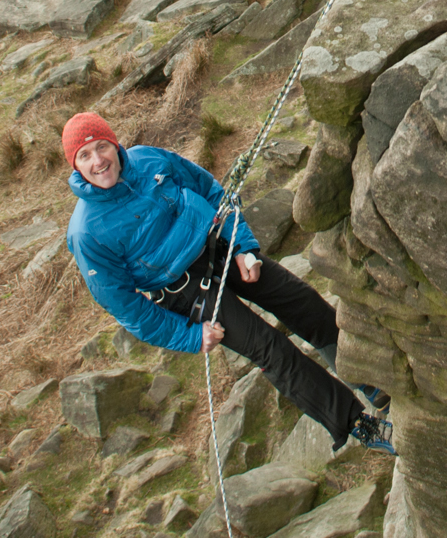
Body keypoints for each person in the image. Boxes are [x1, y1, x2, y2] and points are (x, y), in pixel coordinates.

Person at [60, 112, 395, 455]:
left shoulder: (149, 159)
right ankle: (357, 423)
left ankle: (369, 378)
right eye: (84, 156)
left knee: (301, 300)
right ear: (75, 166)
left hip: (218, 245)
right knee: (272, 350)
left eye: (102, 147)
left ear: (115, 144)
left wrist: (243, 246)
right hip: (185, 292)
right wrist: (189, 336)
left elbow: (210, 190)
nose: (98, 160)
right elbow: (126, 308)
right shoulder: (86, 233)